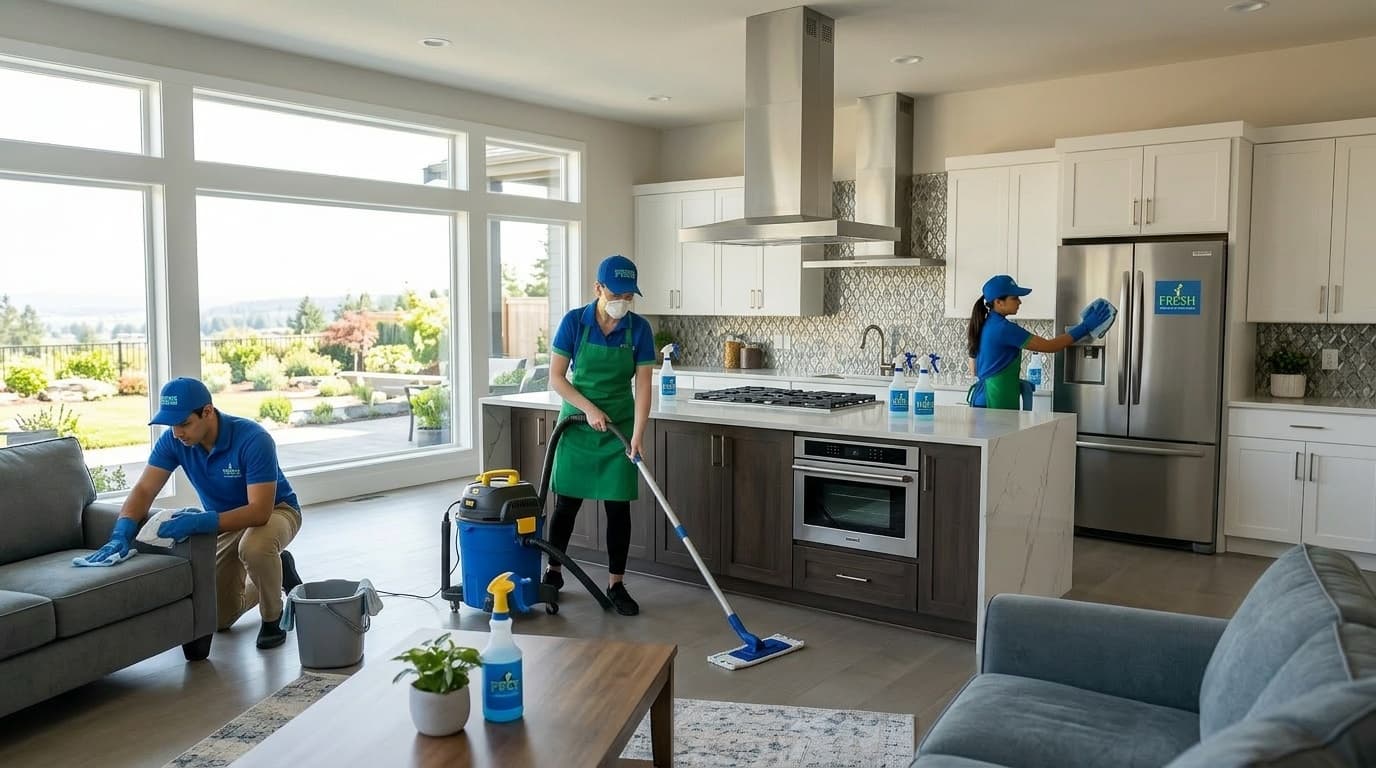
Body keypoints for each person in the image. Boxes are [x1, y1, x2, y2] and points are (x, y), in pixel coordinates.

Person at [75, 377, 305, 649]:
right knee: (218, 618)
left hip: (276, 512)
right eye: (172, 424)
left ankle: (273, 617)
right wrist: (121, 532)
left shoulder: (253, 439)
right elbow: (144, 490)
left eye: (184, 423)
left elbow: (259, 512)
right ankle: (279, 570)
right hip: (225, 521)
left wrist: (200, 522)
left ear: (207, 412)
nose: (177, 432)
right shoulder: (174, 441)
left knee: (255, 546)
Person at [543, 254, 655, 616]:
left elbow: (644, 387)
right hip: (576, 422)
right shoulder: (575, 322)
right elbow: (557, 378)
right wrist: (588, 409)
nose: (623, 301)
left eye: (629, 295)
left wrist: (637, 435)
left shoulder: (639, 329)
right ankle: (554, 572)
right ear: (599, 288)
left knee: (617, 507)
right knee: (566, 504)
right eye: (617, 293)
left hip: (619, 427)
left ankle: (616, 584)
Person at [967, 274, 1112, 410]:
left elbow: (978, 370)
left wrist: (1012, 383)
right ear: (999, 302)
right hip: (995, 400)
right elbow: (1051, 346)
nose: (1020, 302)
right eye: (1015, 298)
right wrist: (1085, 327)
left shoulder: (986, 324)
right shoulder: (1004, 329)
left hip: (984, 398)